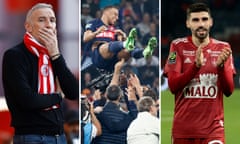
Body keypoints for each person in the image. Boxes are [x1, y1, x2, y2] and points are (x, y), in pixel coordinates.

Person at [2, 3, 79, 144]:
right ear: (28, 27)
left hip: (59, 136)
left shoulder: (54, 55)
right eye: (42, 20)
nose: (49, 25)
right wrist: (58, 96)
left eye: (52, 20)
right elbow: (28, 100)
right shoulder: (14, 56)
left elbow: (73, 92)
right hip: (32, 137)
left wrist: (56, 54)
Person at [163, 3, 235, 144]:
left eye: (204, 19)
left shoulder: (223, 48)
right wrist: (195, 67)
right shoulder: (177, 46)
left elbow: (229, 90)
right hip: (183, 130)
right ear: (188, 23)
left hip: (214, 130)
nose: (201, 24)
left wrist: (220, 67)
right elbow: (172, 86)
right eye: (195, 20)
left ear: (211, 22)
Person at [83, 5, 157, 72]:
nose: (117, 18)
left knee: (126, 51)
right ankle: (126, 44)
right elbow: (85, 38)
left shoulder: (116, 28)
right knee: (104, 46)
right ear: (106, 13)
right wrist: (97, 32)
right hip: (98, 57)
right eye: (115, 14)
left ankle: (144, 52)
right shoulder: (94, 23)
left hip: (112, 60)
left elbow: (119, 43)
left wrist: (124, 36)